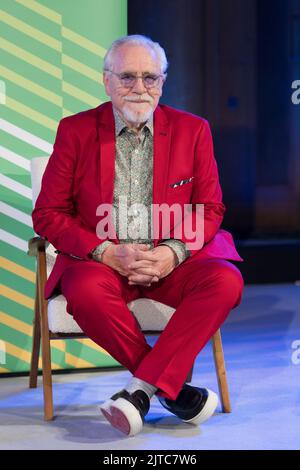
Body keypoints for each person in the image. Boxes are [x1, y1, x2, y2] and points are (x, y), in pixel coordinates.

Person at [32, 34, 244, 437]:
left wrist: (173, 252)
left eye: (151, 78)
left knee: (225, 280)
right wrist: (104, 251)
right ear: (106, 81)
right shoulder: (75, 131)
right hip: (104, 263)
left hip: (172, 263)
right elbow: (48, 213)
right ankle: (175, 390)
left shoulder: (193, 130)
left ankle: (140, 391)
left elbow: (210, 208)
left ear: (163, 81)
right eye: (128, 77)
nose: (140, 88)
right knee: (86, 292)